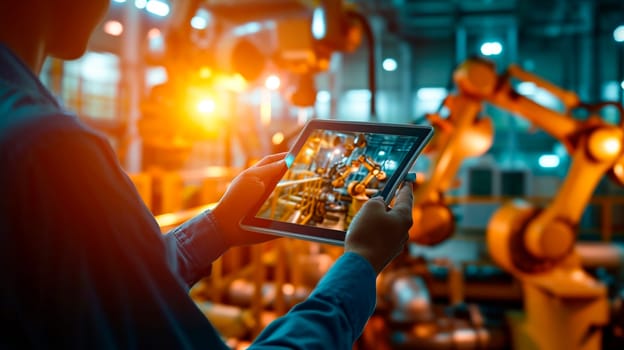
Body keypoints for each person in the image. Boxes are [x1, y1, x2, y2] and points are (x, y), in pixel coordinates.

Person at [0, 1, 414, 349]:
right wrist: (360, 265)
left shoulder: (23, 129)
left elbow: (104, 294)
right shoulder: (49, 150)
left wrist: (217, 227)